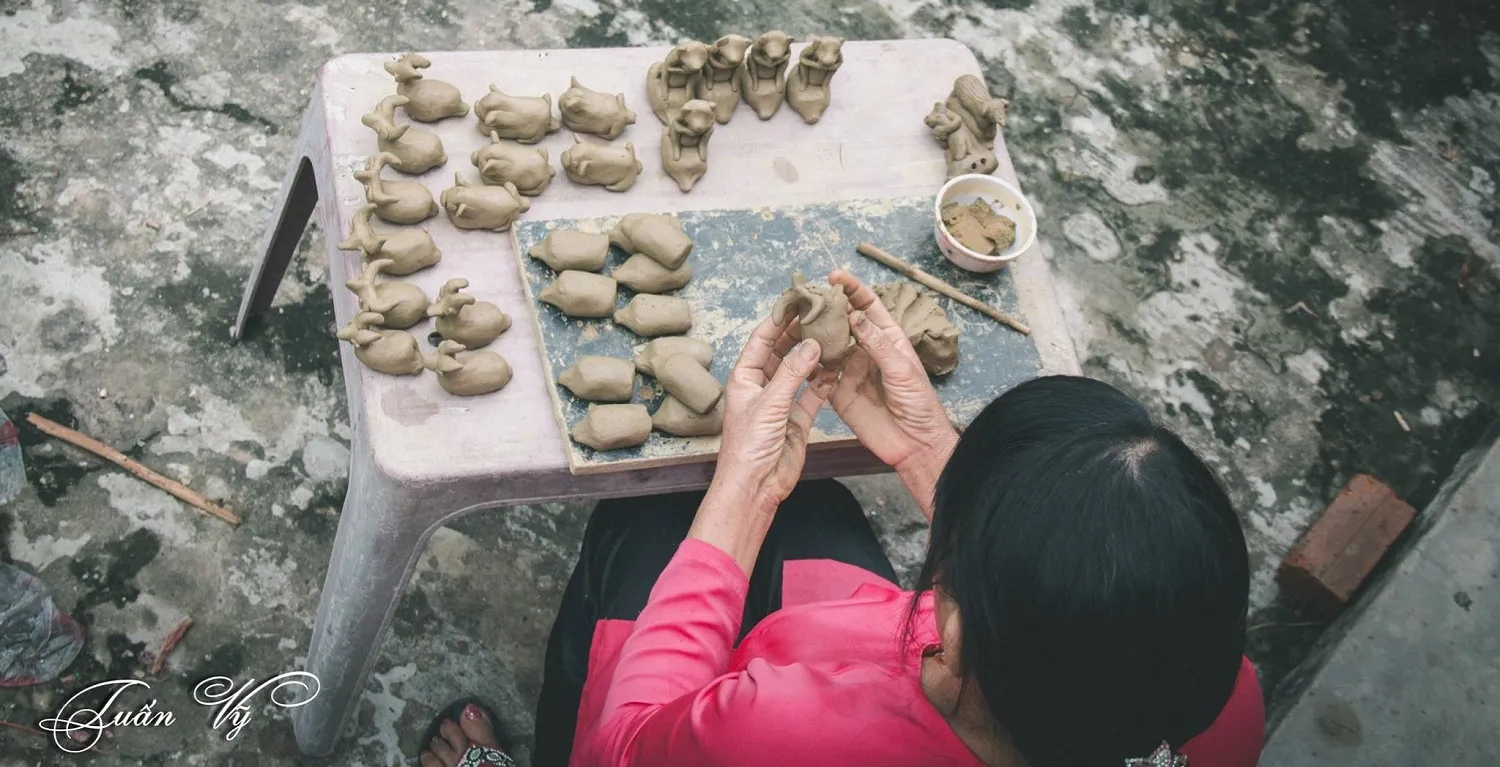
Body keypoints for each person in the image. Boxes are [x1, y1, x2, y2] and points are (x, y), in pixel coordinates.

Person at [416, 270, 1264, 767]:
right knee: (818, 502)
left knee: (644, 524)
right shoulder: (1204, 697)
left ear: (959, 628)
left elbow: (630, 747)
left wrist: (740, 497)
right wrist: (927, 447)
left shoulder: (795, 732)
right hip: (855, 648)